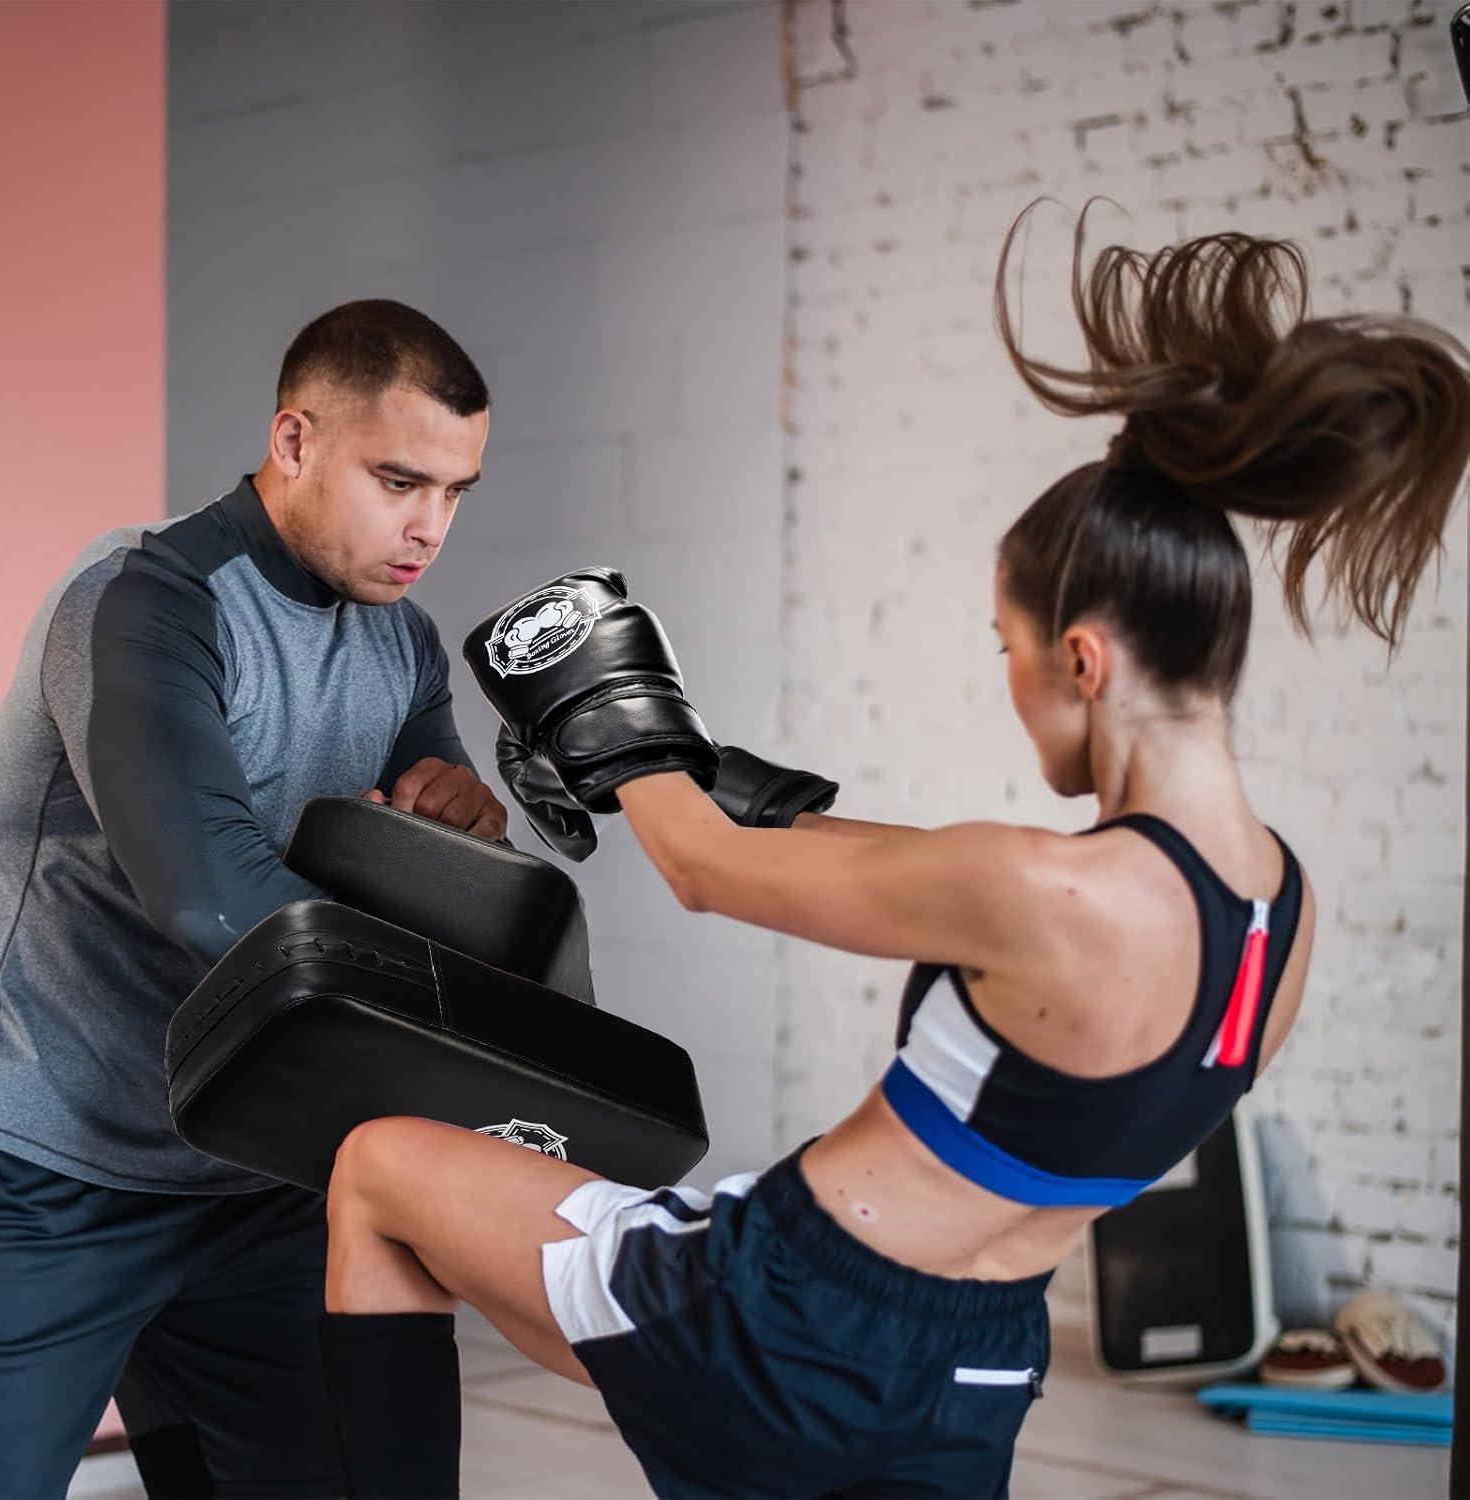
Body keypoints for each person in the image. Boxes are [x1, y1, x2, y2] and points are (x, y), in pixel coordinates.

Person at [317, 211, 1470, 1499]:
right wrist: (701, 768)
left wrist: (611, 727)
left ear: (1082, 659)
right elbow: (919, 867)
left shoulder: (1045, 891)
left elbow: (699, 870)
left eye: (1009, 651)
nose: (1014, 686)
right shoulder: (1277, 908)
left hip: (781, 1315)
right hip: (975, 1365)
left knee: (376, 1167)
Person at [0, 300, 505, 1497]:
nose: (428, 527)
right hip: (51, 1173)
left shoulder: (401, 641)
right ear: (297, 440)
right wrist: (480, 1067)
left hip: (257, 1172)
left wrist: (468, 824)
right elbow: (212, 899)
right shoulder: (146, 600)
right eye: (399, 479)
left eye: (457, 491)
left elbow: (429, 848)